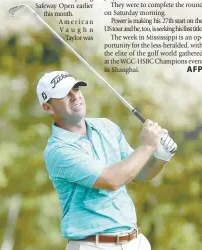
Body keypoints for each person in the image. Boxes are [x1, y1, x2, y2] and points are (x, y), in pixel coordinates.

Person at [36, 71, 177, 250]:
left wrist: (161, 156)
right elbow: (112, 180)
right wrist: (147, 147)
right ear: (48, 107)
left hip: (135, 241)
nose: (75, 97)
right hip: (93, 245)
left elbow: (138, 174)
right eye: (64, 94)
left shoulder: (107, 127)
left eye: (76, 89)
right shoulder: (58, 150)